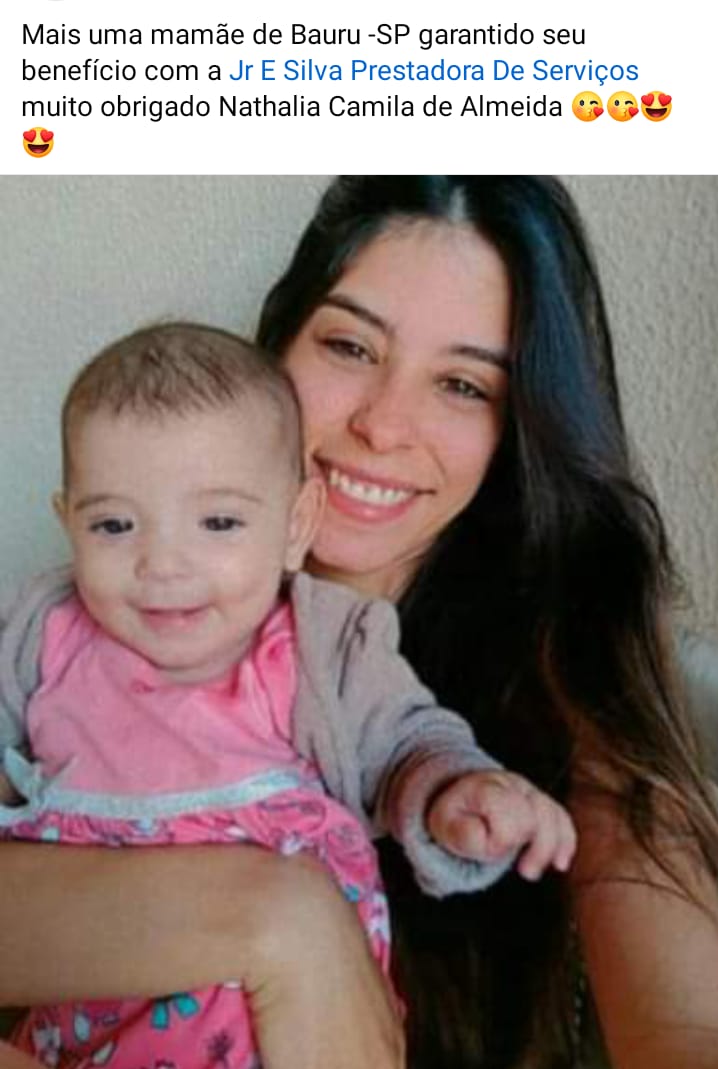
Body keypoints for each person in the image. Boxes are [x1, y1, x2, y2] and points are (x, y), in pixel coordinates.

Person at [1, 175, 717, 1069]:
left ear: (517, 431)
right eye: (349, 345)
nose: (383, 425)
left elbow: (686, 1028)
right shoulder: (73, 616)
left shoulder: (562, 677)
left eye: (462, 384)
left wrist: (451, 809)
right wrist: (277, 921)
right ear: (278, 346)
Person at [0, 322, 575, 1069]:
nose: (163, 563)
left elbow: (405, 742)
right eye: (114, 524)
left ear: (296, 524)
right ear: (68, 521)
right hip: (90, 1032)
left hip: (287, 1036)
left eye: (219, 522)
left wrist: (454, 793)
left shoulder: (320, 645)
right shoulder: (44, 634)